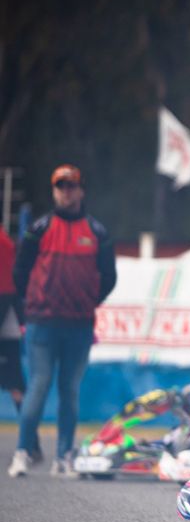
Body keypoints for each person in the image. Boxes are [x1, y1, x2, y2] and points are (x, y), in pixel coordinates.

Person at [8, 164, 116, 478]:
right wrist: (27, 309)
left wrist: (88, 302)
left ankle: (64, 457)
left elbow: (109, 277)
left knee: (69, 390)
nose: (66, 191)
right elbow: (19, 272)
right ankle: (23, 452)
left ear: (81, 190)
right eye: (60, 186)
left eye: (71, 186)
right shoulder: (39, 228)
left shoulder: (97, 232)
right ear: (54, 191)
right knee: (38, 386)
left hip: (79, 324)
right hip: (42, 323)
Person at [0, 228, 24, 409]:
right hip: (8, 313)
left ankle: (29, 435)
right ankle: (29, 435)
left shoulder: (5, 243)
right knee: (15, 382)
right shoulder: (6, 242)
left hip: (7, 312)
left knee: (15, 382)